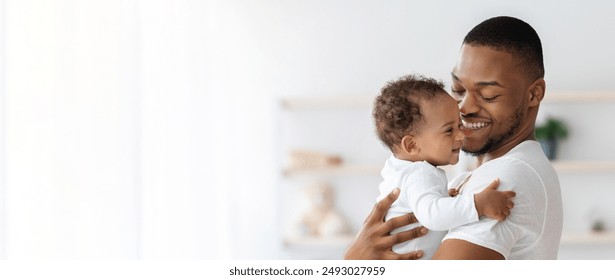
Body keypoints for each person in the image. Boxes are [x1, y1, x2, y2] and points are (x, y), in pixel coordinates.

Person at [345, 16, 563, 260]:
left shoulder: (506, 179)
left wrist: (353, 261)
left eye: (489, 95)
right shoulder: (466, 178)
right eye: (458, 90)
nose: (465, 107)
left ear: (534, 94)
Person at [372, 74, 515, 259]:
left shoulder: (397, 169)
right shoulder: (420, 173)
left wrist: (444, 198)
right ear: (412, 145)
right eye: (449, 130)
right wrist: (478, 204)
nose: (461, 136)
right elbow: (432, 215)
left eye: (459, 125)